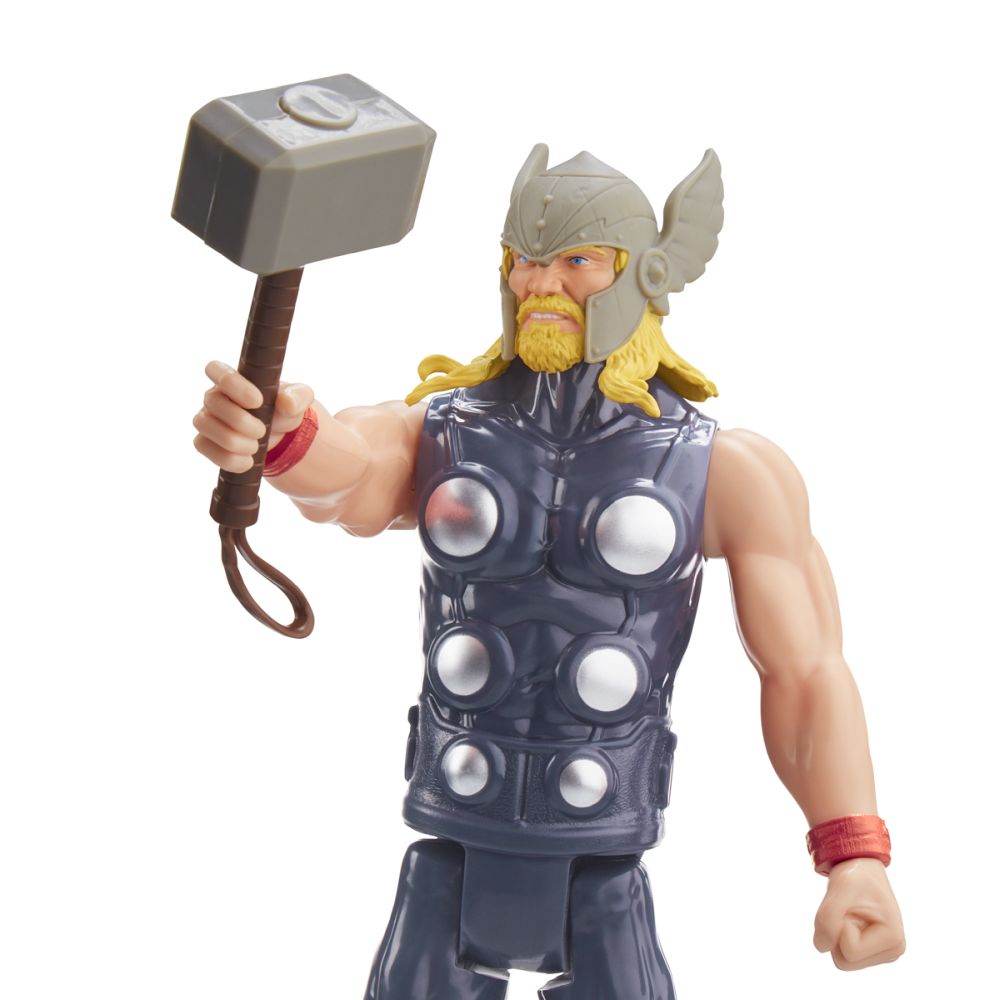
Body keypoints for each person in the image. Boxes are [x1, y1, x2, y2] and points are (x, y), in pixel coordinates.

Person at [193, 146, 904, 998]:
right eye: (524, 261)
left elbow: (806, 671)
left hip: (602, 836)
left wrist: (853, 853)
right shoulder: (445, 431)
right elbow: (356, 472)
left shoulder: (725, 470)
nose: (540, 285)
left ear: (645, 275)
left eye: (576, 261)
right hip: (457, 814)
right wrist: (283, 437)